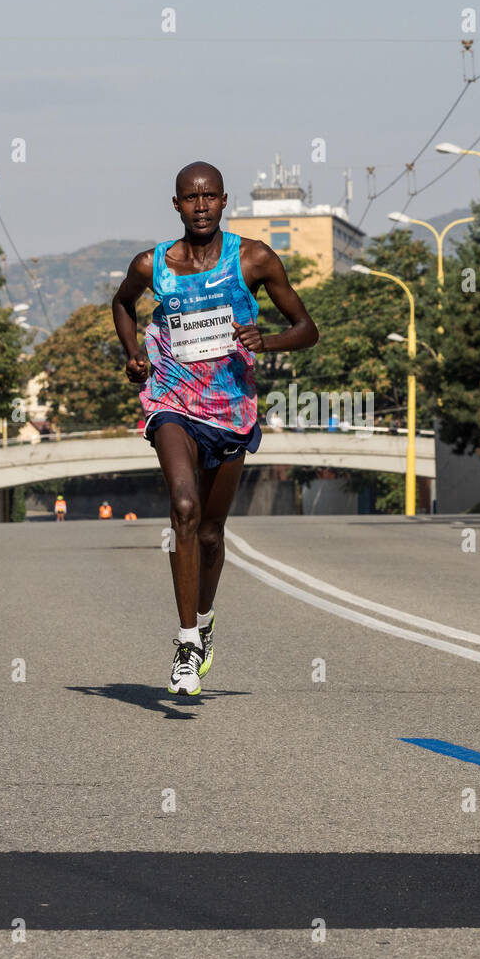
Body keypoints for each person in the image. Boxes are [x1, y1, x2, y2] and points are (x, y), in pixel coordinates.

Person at [112, 160, 318, 696]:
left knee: (209, 532)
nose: (200, 206)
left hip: (230, 406)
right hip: (170, 398)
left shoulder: (254, 259)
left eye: (209, 197)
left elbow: (306, 328)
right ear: (176, 205)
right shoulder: (152, 263)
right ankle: (184, 645)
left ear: (225, 201)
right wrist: (134, 355)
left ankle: (204, 623)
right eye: (189, 198)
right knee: (184, 508)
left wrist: (265, 341)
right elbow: (122, 303)